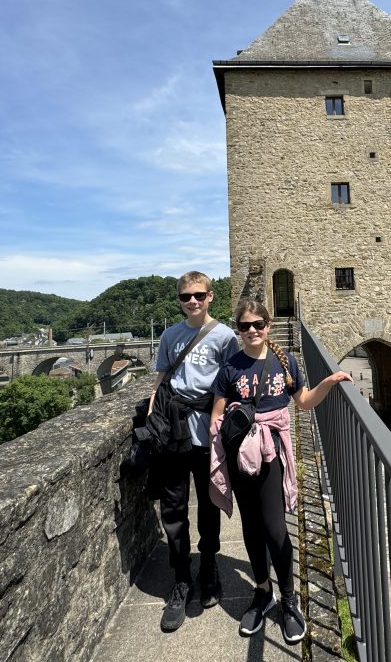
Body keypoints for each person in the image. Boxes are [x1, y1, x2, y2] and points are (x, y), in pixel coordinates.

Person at [209, 299, 351, 644]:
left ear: (268, 325)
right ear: (238, 330)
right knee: (252, 528)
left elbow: (302, 401)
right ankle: (262, 591)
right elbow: (216, 413)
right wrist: (224, 432)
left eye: (258, 324)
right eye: (245, 326)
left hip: (273, 453)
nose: (252, 330)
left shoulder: (284, 361)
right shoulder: (230, 367)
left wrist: (329, 382)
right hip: (242, 452)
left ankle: (288, 599)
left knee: (275, 528)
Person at [149, 271, 239, 632]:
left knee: (209, 504)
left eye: (198, 295)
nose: (192, 301)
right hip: (173, 432)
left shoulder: (224, 336)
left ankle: (210, 566)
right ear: (179, 300)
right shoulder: (170, 335)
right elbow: (160, 380)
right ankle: (182, 578)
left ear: (210, 296)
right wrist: (154, 415)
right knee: (172, 509)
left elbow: (234, 382)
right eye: (185, 296)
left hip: (208, 434)